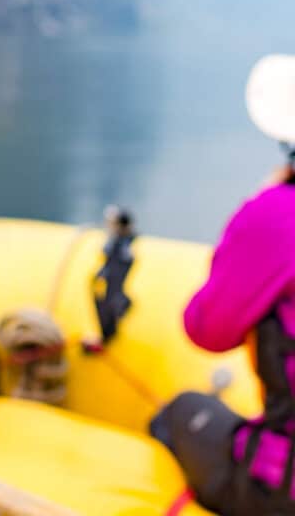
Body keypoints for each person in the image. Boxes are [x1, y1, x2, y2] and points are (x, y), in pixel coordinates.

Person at [150, 54, 295, 514]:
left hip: (281, 487)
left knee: (178, 414)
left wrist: (256, 214)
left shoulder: (275, 215)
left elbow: (206, 328)